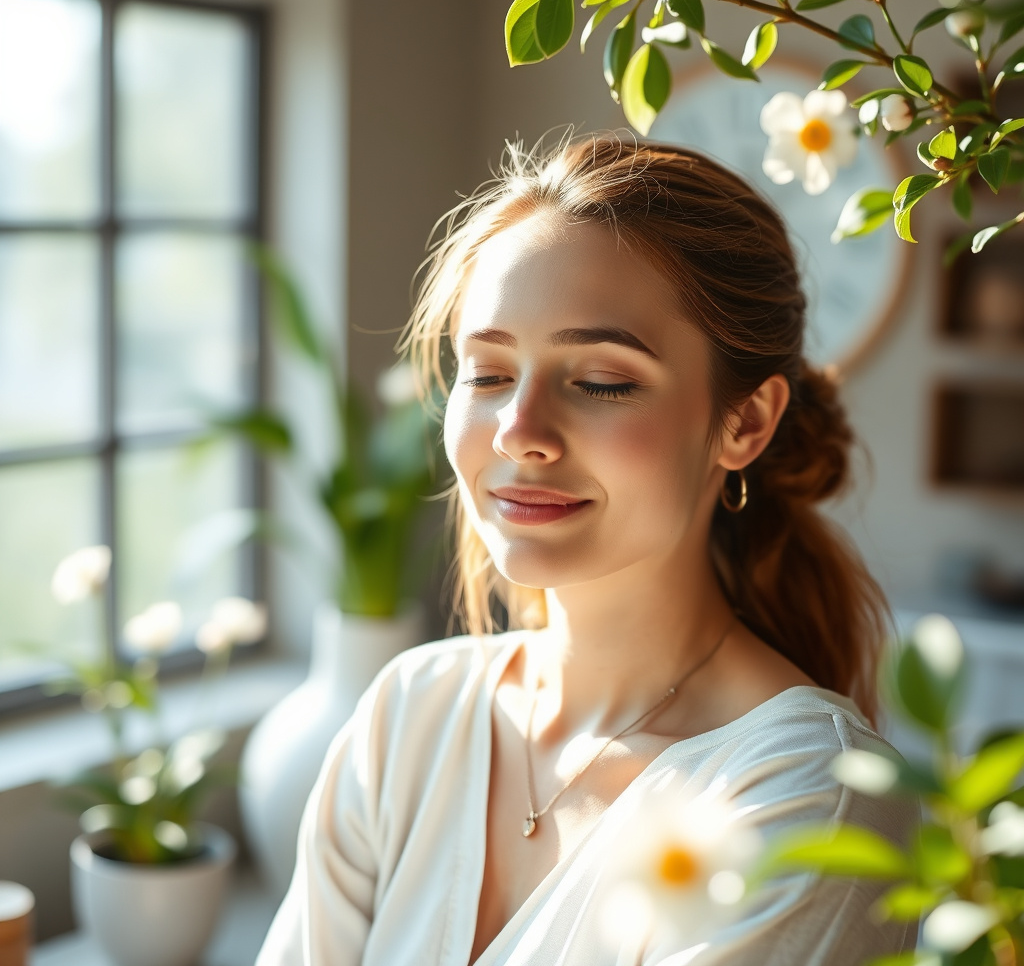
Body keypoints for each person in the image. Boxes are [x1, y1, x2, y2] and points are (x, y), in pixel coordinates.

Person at [255, 134, 918, 966]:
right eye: (489, 373)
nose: (519, 432)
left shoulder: (811, 798)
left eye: (603, 379)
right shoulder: (409, 713)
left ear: (744, 422)